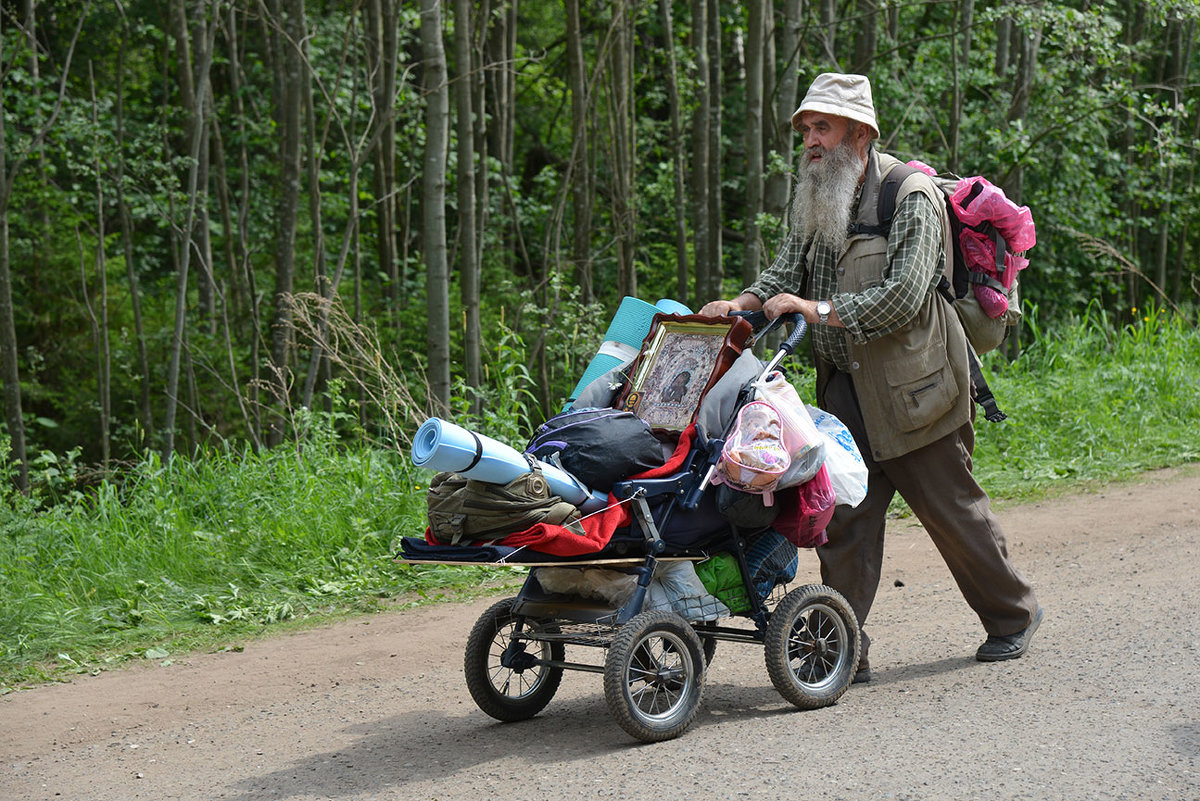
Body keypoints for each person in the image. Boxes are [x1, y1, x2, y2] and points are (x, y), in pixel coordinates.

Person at [700, 72, 1042, 683]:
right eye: (805, 127)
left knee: (952, 511)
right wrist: (744, 303)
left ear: (859, 134)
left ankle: (1012, 616)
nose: (810, 139)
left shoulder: (910, 195)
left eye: (822, 127)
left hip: (920, 389)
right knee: (845, 521)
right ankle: (842, 646)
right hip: (846, 390)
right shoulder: (814, 195)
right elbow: (787, 268)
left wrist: (818, 310)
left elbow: (907, 296)